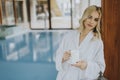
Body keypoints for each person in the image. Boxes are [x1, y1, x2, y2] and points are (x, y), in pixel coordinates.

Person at [55, 5, 106, 80]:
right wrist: (63, 58)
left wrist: (86, 66)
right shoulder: (69, 36)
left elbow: (101, 68)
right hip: (65, 77)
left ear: (97, 23)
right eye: (90, 17)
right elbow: (58, 55)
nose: (91, 21)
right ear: (84, 16)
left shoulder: (97, 42)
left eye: (96, 19)